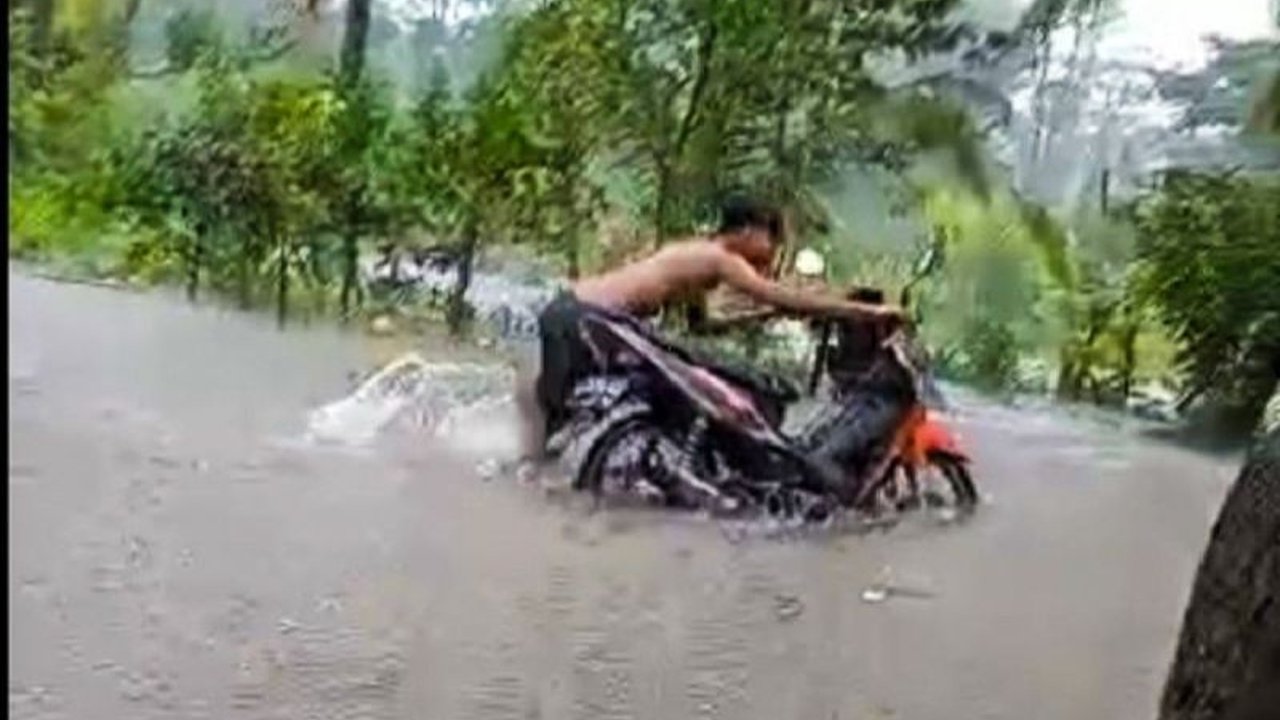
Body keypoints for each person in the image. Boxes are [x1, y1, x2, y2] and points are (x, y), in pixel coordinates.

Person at [516, 195, 904, 459]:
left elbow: (704, 326)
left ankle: (544, 495)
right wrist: (863, 313)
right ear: (750, 231)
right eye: (772, 241)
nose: (771, 255)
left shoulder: (696, 257)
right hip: (587, 319)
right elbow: (778, 295)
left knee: (552, 427)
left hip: (572, 311)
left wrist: (764, 316)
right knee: (553, 432)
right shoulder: (720, 258)